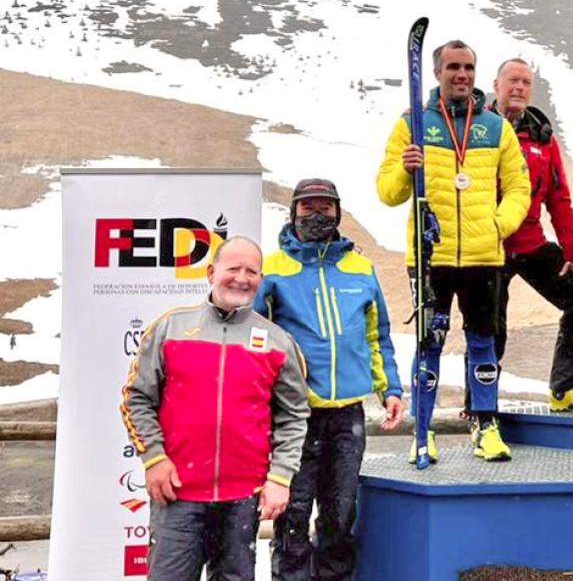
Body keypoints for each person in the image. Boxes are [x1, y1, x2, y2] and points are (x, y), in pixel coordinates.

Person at [121, 237, 309, 581]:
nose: (242, 278)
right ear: (211, 272)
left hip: (242, 499)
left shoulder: (278, 341)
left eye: (251, 271)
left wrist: (280, 477)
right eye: (233, 268)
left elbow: (294, 415)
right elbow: (137, 398)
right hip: (178, 493)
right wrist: (154, 457)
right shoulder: (170, 327)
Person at [377, 38, 530, 461]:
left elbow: (520, 187)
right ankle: (422, 431)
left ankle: (485, 427)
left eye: (468, 68)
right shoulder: (413, 123)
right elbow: (387, 192)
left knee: (484, 342)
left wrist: (499, 225)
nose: (461, 75)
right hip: (431, 257)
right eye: (453, 68)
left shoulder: (495, 126)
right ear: (436, 73)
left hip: (483, 257)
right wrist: (405, 172)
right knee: (430, 343)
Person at [257, 178, 404, 580]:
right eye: (308, 208)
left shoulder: (360, 266)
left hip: (347, 415)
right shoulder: (272, 268)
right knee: (293, 517)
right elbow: (253, 341)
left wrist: (389, 387)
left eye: (326, 207)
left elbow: (377, 335)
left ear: (338, 212)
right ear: (293, 212)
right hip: (294, 417)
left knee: (340, 515)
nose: (317, 215)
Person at [488, 58, 573, 412]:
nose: (519, 88)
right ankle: (479, 402)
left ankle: (567, 387)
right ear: (496, 85)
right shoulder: (476, 127)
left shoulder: (542, 135)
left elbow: (559, 197)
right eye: (513, 81)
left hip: (529, 243)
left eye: (525, 82)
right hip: (488, 246)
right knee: (492, 324)